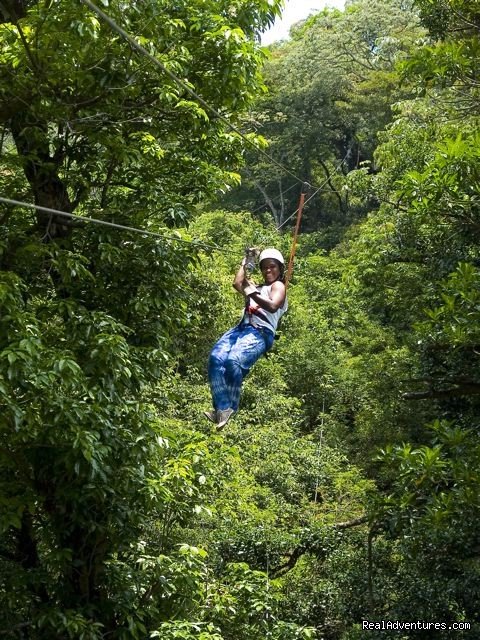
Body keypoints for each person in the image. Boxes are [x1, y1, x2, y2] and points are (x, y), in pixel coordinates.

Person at [204, 248, 288, 429]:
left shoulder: (278, 286)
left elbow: (273, 305)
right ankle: (221, 409)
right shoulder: (256, 288)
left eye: (272, 267)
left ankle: (230, 408)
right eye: (264, 267)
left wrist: (251, 293)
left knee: (233, 361)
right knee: (215, 359)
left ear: (280, 269)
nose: (268, 270)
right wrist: (246, 261)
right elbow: (237, 283)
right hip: (241, 329)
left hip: (260, 332)